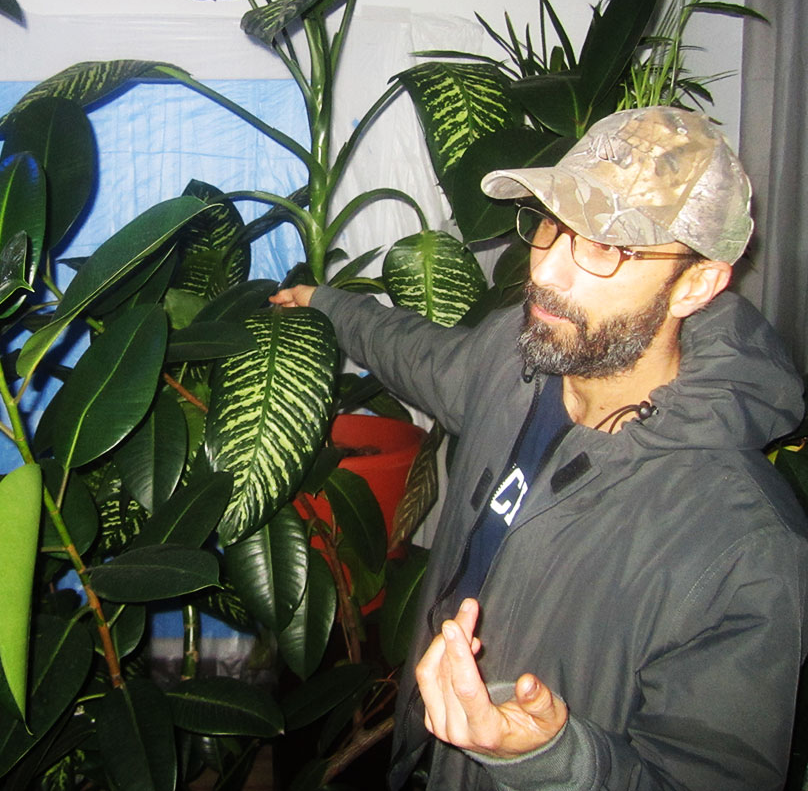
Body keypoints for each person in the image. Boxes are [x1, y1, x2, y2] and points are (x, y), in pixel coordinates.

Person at [270, 106, 808, 790]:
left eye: (607, 246)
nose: (548, 271)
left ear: (696, 284)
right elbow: (420, 354)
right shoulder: (519, 356)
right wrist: (325, 304)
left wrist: (554, 759)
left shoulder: (744, 547)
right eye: (552, 223)